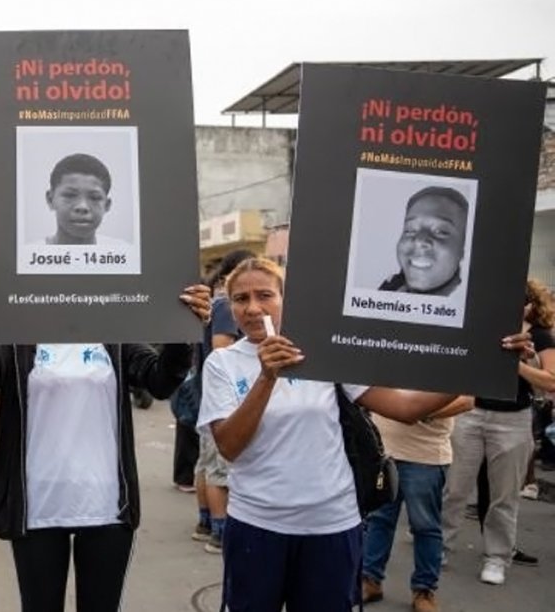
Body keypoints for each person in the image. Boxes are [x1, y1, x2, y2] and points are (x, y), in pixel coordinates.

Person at [198, 257, 528, 612]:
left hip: (332, 523)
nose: (252, 308)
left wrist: (483, 365)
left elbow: (405, 408)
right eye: (240, 299)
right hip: (257, 523)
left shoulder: (324, 352)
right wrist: (266, 378)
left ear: (286, 299)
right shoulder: (223, 363)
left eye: (265, 295)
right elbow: (230, 446)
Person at [0, 256, 211, 612]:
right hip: (37, 506)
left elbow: (160, 381)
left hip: (106, 508)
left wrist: (182, 329)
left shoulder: (114, 337)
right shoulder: (18, 338)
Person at [442, 278, 555, 586]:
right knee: (455, 487)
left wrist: (516, 363)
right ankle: (440, 546)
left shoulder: (541, 336)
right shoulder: (481, 327)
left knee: (504, 495)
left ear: (529, 305)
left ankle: (497, 557)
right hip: (472, 411)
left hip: (513, 418)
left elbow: (551, 381)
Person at [361, 395, 474, 612]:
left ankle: (424, 590)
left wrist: (416, 410)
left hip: (426, 455)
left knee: (425, 526)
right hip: (382, 450)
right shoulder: (385, 359)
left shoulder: (449, 361)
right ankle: (370, 579)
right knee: (378, 519)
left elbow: (466, 401)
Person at [189, 248, 254, 555]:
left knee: (206, 463)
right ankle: (219, 532)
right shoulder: (226, 306)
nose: (253, 307)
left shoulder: (214, 302)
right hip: (223, 396)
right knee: (218, 468)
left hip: (207, 391)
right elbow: (220, 347)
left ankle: (204, 523)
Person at [378, 186, 468, 296]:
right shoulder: (388, 289)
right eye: (410, 230)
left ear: (464, 248)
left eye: (441, 231)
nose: (419, 241)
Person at [38, 153, 125, 246]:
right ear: (51, 200)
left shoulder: (121, 253)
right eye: (70, 195)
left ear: (106, 205)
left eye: (94, 198)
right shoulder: (31, 255)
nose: (82, 206)